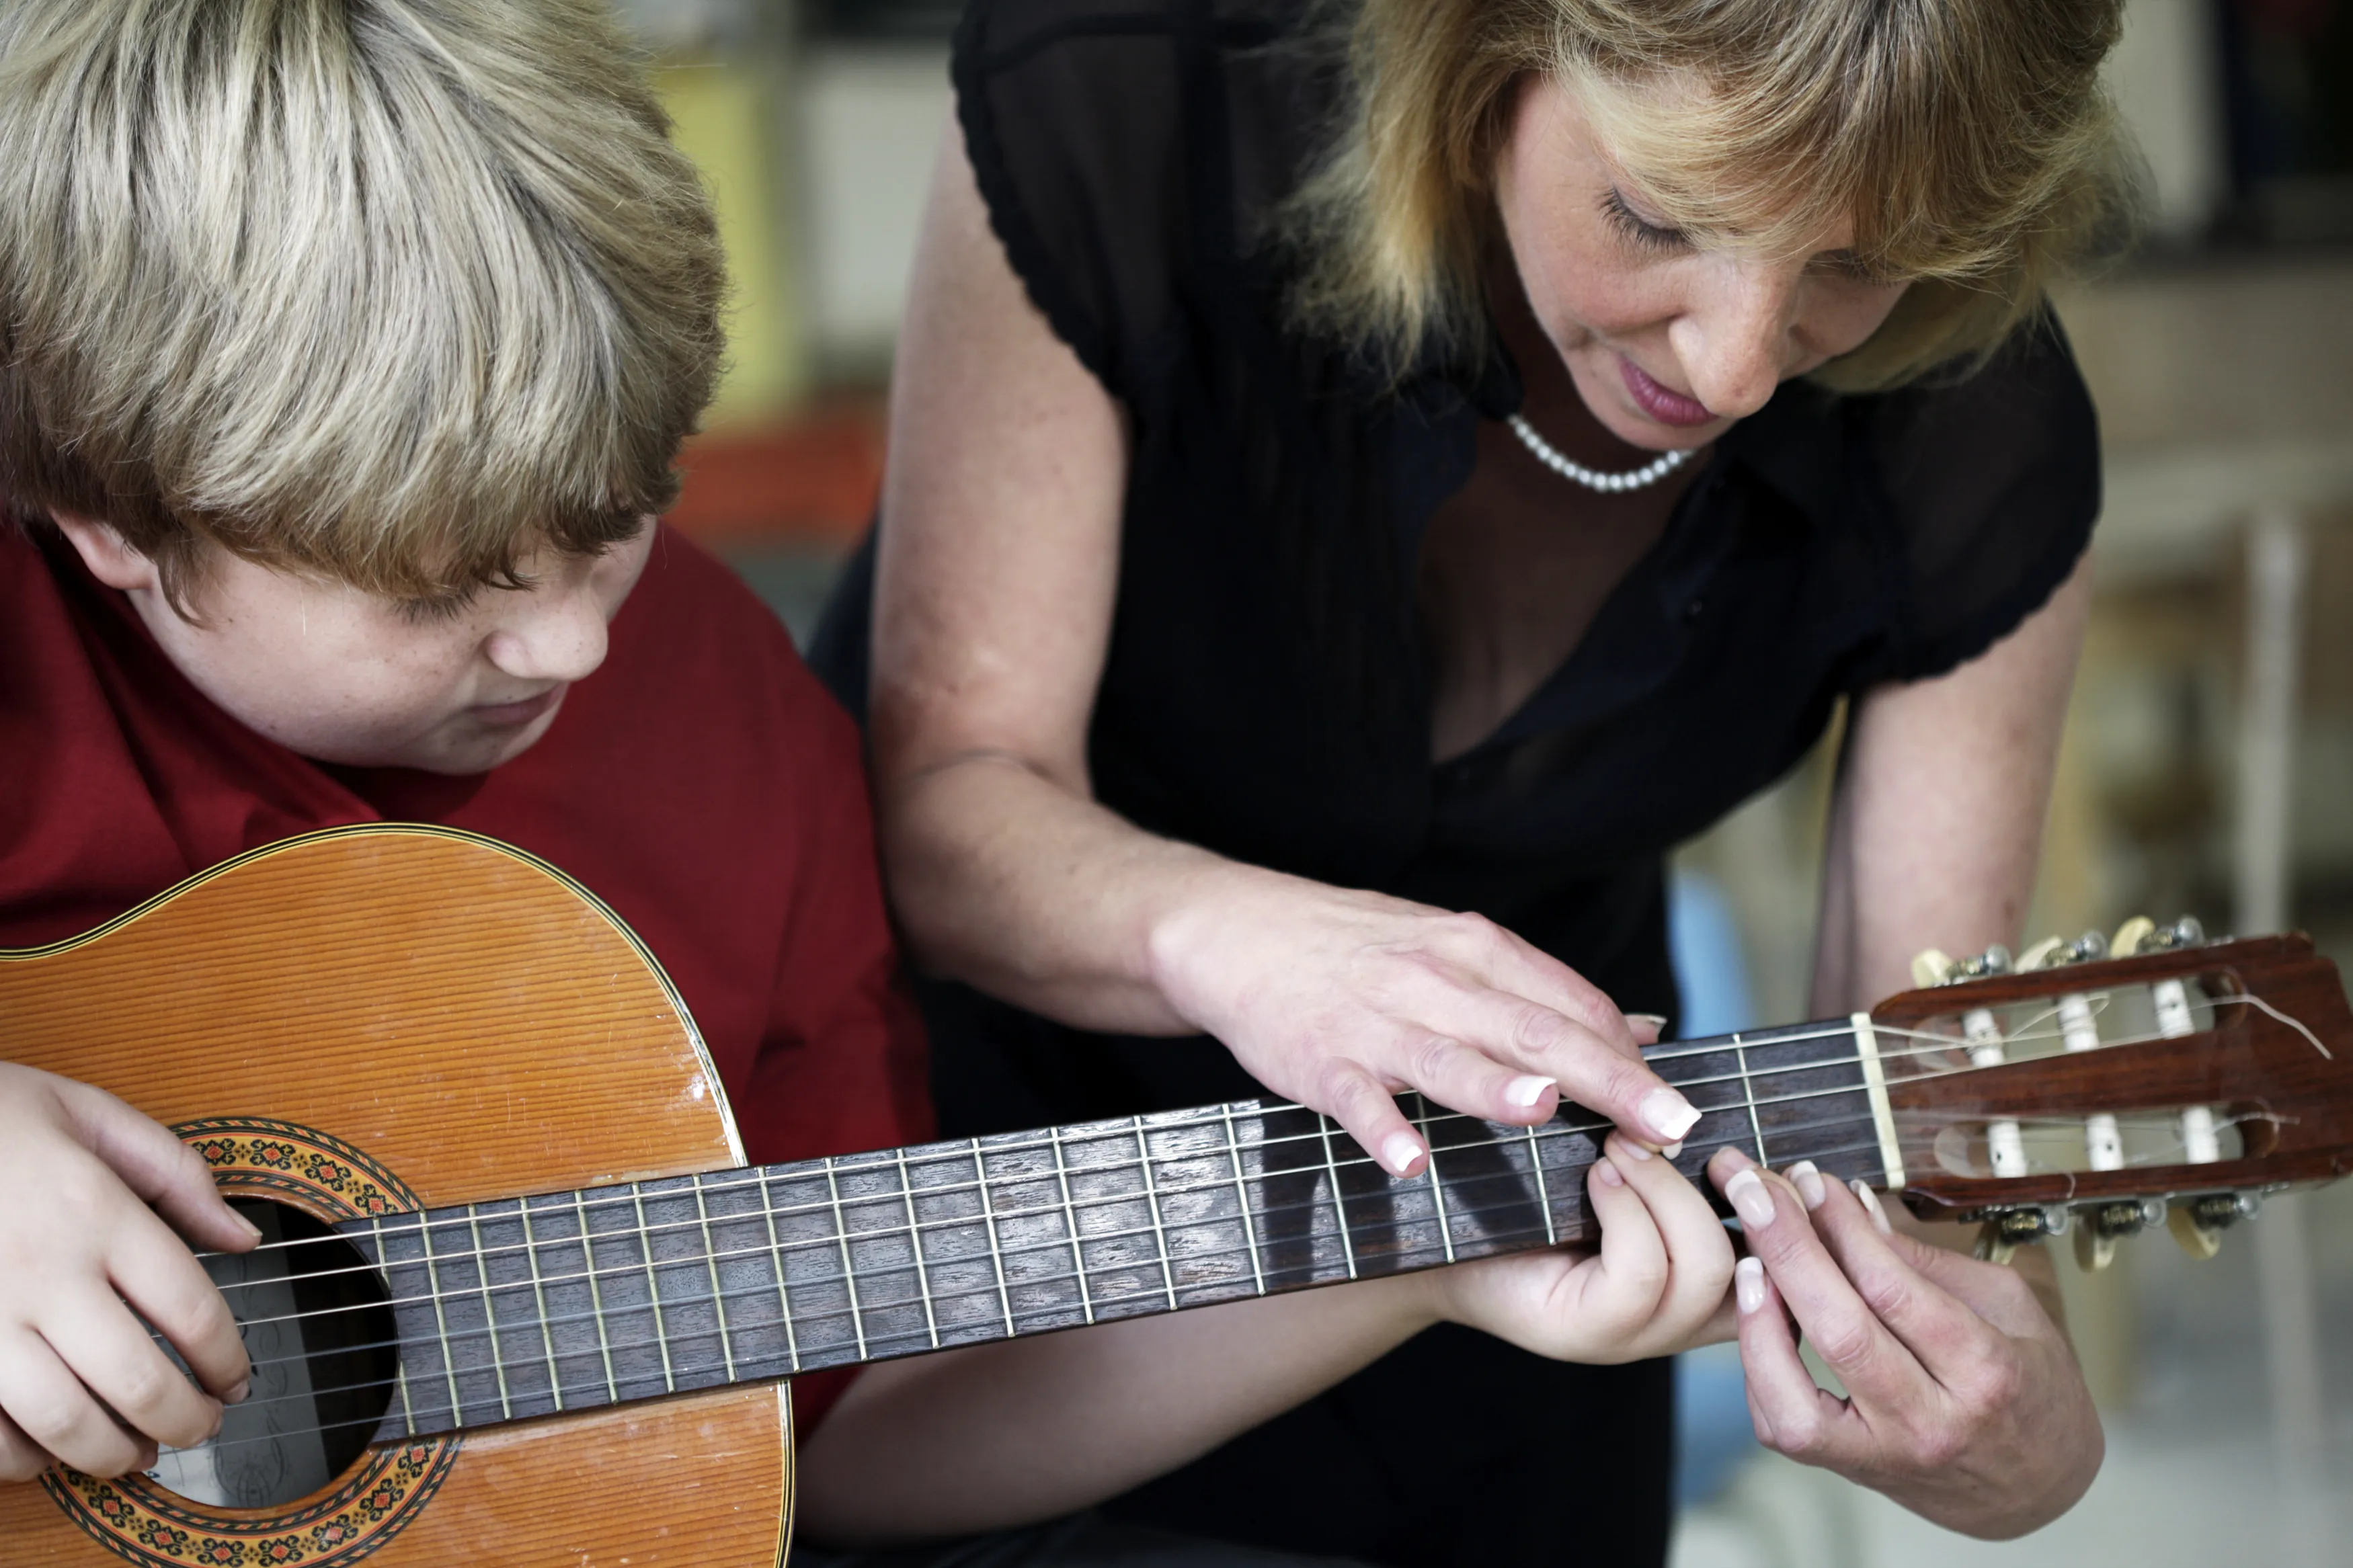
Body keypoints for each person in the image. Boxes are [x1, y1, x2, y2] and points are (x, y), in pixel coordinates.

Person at [0, 4, 1806, 1563]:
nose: (568, 647)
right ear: (108, 530)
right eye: (437, 593)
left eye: (616, 517)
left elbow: (855, 1430)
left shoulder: (736, 734)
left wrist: (1415, 1255)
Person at [808, 0, 2130, 1560]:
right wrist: (1241, 938)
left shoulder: (1980, 421)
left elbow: (1911, 1132)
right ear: (1483, 50)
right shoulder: (1133, 100)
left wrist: (2015, 1421)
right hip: (979, 1237)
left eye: (1853, 265)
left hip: (1527, 1266)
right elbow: (951, 796)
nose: (1736, 365)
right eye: (1658, 214)